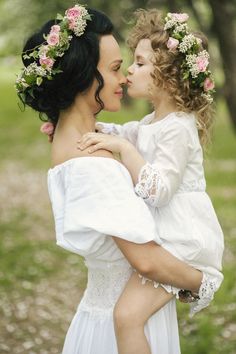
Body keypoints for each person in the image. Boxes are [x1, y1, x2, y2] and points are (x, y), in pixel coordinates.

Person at [16, 4, 209, 354]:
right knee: (129, 318)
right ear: (84, 77)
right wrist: (202, 281)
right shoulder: (97, 164)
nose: (124, 78)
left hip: (114, 313)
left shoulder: (79, 144)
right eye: (117, 68)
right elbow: (146, 261)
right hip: (117, 328)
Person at [77, 9, 224, 354]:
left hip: (184, 242)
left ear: (169, 77)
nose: (129, 69)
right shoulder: (151, 123)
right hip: (166, 238)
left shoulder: (179, 128)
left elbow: (158, 191)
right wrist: (81, 126)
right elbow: (119, 132)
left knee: (127, 317)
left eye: (140, 63)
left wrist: (124, 149)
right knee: (127, 316)